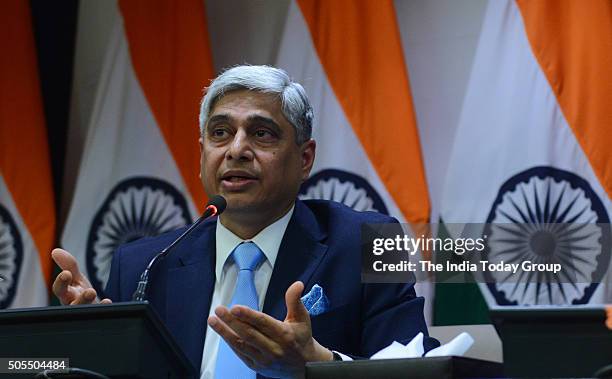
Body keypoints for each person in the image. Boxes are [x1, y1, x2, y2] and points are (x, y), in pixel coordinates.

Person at [52, 65, 437, 379]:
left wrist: (317, 363)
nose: (237, 149)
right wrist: (89, 344)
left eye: (262, 133)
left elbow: (419, 369)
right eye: (220, 133)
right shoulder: (144, 265)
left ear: (304, 159)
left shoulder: (368, 241)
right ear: (203, 154)